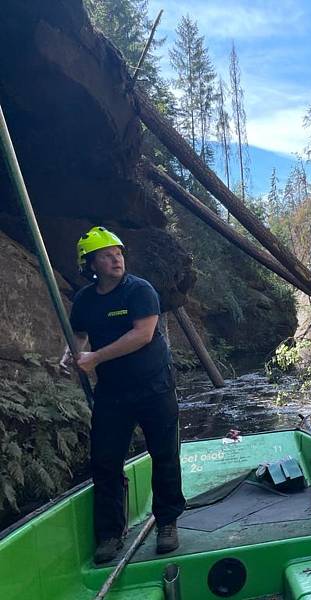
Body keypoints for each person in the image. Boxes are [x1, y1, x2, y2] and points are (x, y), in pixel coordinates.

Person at [61, 226, 185, 563]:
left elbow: (143, 335)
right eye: (107, 255)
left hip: (154, 386)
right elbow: (81, 334)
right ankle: (110, 534)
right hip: (113, 392)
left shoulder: (140, 290)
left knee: (163, 453)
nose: (116, 259)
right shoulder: (85, 300)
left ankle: (167, 523)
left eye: (118, 253)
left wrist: (96, 358)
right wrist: (71, 355)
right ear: (91, 264)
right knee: (105, 460)